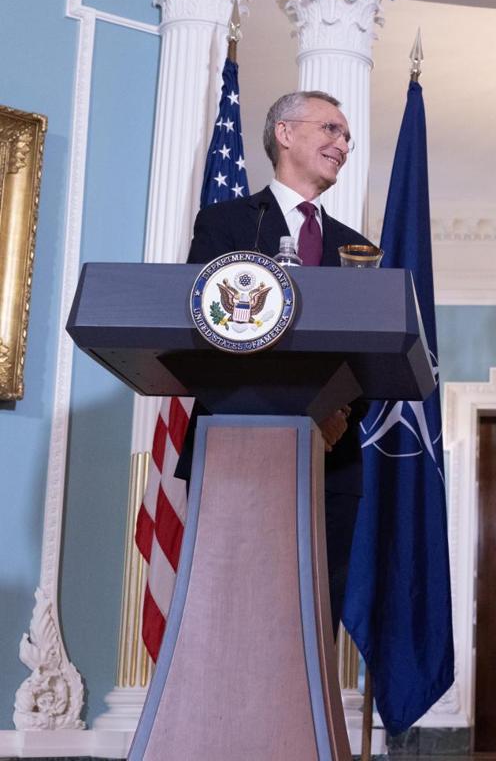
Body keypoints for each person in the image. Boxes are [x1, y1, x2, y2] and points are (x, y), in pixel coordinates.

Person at [180, 90, 373, 625]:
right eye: (331, 129)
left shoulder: (357, 249)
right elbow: (205, 331)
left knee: (308, 618)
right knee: (229, 612)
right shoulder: (227, 225)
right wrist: (295, 412)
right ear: (285, 133)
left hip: (332, 456)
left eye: (346, 136)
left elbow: (371, 350)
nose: (343, 143)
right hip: (236, 447)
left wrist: (334, 414)